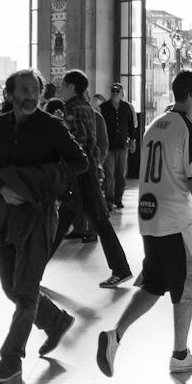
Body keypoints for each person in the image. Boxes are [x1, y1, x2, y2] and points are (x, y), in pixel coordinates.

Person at [97, 68, 192, 377]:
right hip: (178, 221)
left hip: (150, 219)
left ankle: (115, 335)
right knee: (186, 289)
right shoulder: (190, 127)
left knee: (153, 284)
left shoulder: (154, 125)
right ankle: (180, 354)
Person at [0, 69, 87, 384]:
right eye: (23, 90)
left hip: (39, 217)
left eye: (35, 90)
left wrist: (38, 179)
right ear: (10, 94)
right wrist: (3, 189)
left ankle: (10, 358)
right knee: (10, 287)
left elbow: (79, 162)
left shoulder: (52, 126)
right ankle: (55, 321)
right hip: (3, 213)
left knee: (26, 290)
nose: (30, 95)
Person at [61, 69, 135, 287]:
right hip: (87, 171)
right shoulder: (88, 108)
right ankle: (34, 271)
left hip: (81, 174)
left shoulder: (72, 108)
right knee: (67, 222)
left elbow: (78, 142)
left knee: (99, 222)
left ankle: (121, 269)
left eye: (64, 85)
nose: (61, 89)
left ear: (72, 87)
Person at [101, 81, 137, 209]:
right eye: (113, 91)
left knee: (121, 175)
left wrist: (133, 140)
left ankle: (118, 199)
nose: (115, 93)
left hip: (123, 146)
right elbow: (100, 126)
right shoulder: (104, 107)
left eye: (118, 91)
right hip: (108, 146)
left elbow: (131, 126)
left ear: (122, 93)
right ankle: (109, 201)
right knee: (109, 175)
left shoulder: (127, 107)